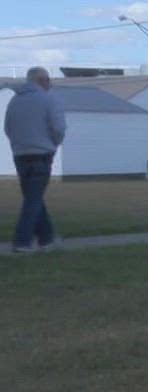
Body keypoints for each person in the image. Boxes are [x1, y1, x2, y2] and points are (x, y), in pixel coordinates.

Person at [6, 67, 65, 254]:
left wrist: (19, 144)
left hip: (20, 154)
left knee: (33, 197)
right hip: (42, 154)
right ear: (41, 80)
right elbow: (58, 128)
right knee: (33, 199)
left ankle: (46, 239)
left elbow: (8, 127)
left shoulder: (15, 101)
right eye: (48, 79)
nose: (50, 83)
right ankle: (22, 241)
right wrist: (53, 144)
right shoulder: (48, 100)